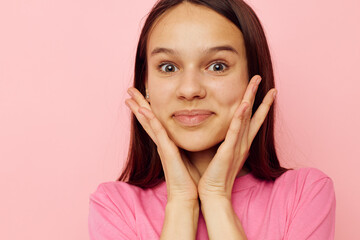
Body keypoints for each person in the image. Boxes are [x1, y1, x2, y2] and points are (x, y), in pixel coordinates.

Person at [88, 0, 336, 239]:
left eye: (217, 66)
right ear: (146, 84)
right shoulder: (115, 207)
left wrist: (216, 198)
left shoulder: (305, 194)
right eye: (168, 67)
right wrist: (182, 203)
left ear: (253, 78)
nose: (189, 89)